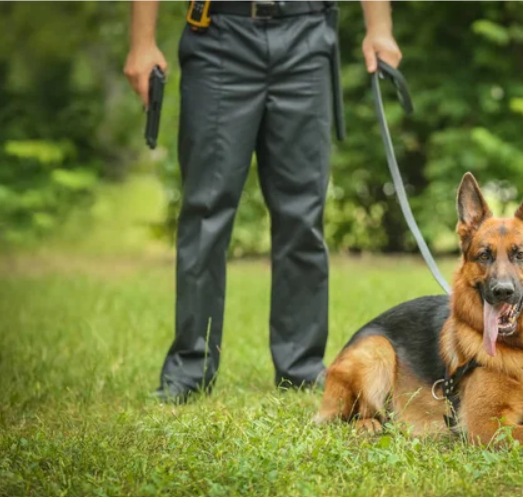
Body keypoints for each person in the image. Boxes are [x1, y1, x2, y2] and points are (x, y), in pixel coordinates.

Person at [124, 1, 401, 401]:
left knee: (303, 215)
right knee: (205, 212)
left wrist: (379, 28)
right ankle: (189, 369)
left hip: (307, 34)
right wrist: (142, 41)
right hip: (218, 34)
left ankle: (302, 368)